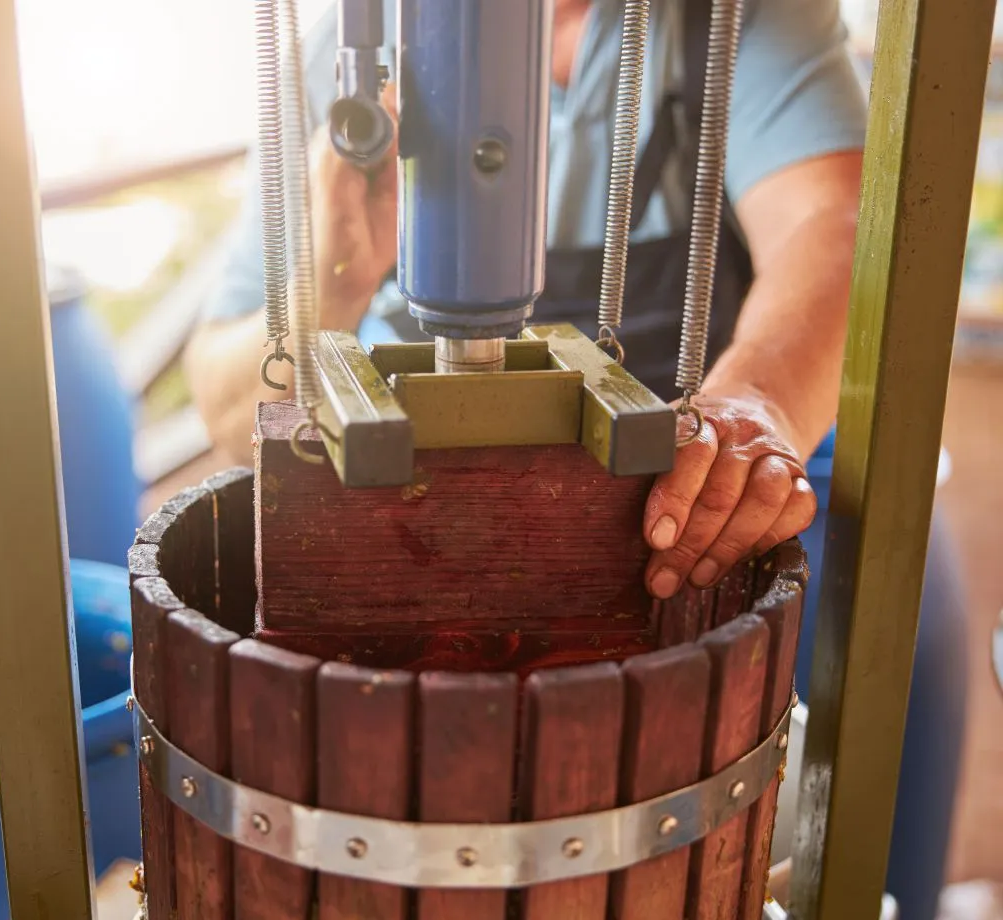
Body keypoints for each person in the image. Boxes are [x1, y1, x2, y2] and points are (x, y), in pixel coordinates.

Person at [185, 2, 964, 916]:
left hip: (726, 512)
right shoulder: (341, 57)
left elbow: (843, 229)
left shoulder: (728, 25)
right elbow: (231, 404)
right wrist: (341, 276)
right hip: (420, 545)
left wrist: (758, 405)